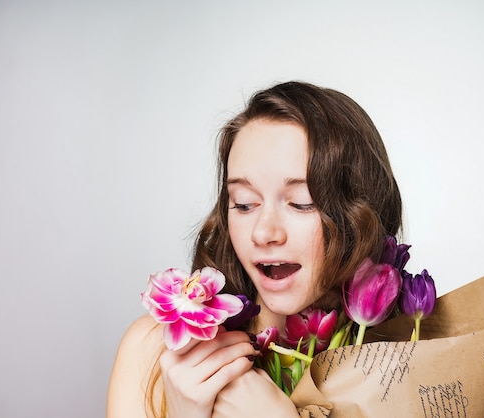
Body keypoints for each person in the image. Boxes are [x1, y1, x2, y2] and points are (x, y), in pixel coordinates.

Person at [106, 81, 403, 417]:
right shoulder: (153, 352)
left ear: (360, 212)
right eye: (245, 204)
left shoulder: (407, 367)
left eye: (300, 203)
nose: (263, 232)